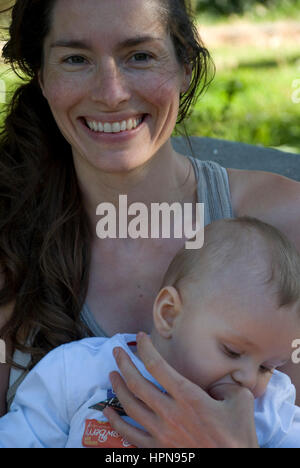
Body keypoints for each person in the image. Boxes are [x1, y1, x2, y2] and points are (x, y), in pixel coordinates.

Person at [0, 0, 300, 448]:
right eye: (75, 59)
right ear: (43, 78)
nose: (111, 92)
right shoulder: (10, 236)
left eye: (139, 55)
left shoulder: (288, 228)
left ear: (185, 65)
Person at [0, 217, 300, 448]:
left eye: (266, 367)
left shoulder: (266, 410)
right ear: (169, 314)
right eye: (232, 351)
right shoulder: (80, 371)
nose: (248, 379)